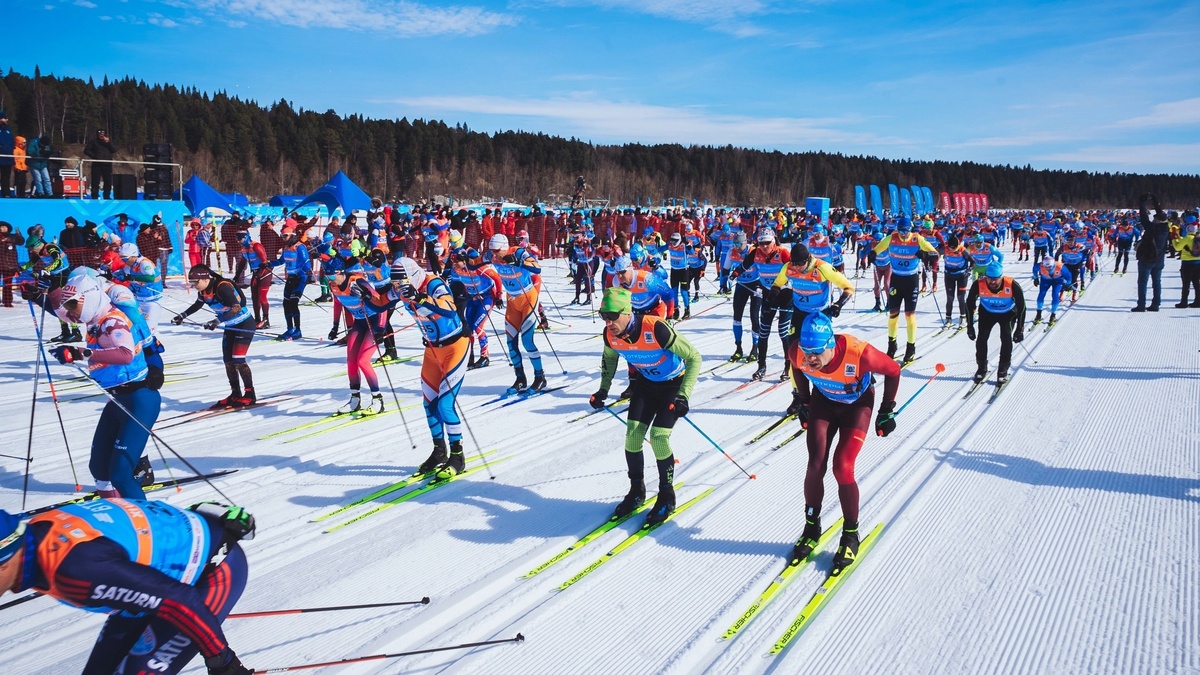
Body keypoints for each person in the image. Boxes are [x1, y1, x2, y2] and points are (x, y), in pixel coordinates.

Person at [0, 500, 255, 675]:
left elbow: (180, 600)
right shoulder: (27, 531)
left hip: (212, 572)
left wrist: (224, 663)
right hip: (156, 576)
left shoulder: (74, 569)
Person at [784, 312, 900, 572]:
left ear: (830, 345)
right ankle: (811, 527)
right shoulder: (798, 353)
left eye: (816, 352)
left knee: (842, 467)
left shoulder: (860, 354)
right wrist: (804, 401)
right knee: (815, 464)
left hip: (856, 406)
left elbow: (893, 370)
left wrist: (886, 411)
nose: (810, 358)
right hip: (823, 403)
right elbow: (797, 367)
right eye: (806, 350)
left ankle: (850, 533)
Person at [31, 273, 162, 499]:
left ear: (89, 299)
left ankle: (145, 526)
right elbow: (64, 313)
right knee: (99, 469)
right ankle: (112, 514)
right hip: (118, 400)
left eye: (74, 305)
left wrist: (79, 353)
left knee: (120, 473)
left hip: (139, 399)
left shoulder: (112, 321)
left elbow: (125, 354)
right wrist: (42, 296)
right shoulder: (93, 318)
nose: (70, 311)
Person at [589, 287, 701, 525]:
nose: (608, 322)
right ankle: (636, 490)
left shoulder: (655, 327)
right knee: (632, 437)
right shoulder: (610, 335)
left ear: (627, 312)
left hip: (672, 385)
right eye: (603, 316)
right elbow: (609, 359)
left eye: (612, 315)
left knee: (659, 437)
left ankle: (666, 494)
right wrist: (603, 390)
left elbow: (694, 357)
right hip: (646, 384)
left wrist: (684, 395)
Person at [394, 257, 471, 479]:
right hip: (432, 350)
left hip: (455, 346)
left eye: (400, 283)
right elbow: (379, 303)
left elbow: (449, 310)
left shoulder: (433, 284)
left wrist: (420, 297)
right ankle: (439, 452)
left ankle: (457, 456)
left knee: (446, 405)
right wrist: (364, 297)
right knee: (429, 405)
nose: (397, 288)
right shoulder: (401, 290)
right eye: (395, 284)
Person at [172, 265, 257, 407]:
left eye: (195, 282)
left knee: (238, 360)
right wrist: (182, 315)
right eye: (191, 283)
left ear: (205, 278)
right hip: (230, 325)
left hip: (244, 324)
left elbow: (237, 307)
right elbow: (198, 304)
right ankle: (235, 393)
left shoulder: (222, 287)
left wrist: (217, 321)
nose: (193, 286)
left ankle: (250, 394)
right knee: (228, 361)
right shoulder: (203, 290)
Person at [325, 257, 387, 415]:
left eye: (332, 276)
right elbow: (338, 305)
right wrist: (335, 326)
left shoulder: (357, 283)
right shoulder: (334, 286)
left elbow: (382, 304)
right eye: (328, 276)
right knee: (351, 361)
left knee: (363, 361)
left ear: (341, 273)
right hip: (360, 322)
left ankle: (377, 399)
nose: (330, 280)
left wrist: (380, 329)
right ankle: (355, 399)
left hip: (373, 321)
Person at [873, 216, 939, 363]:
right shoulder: (891, 238)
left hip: (911, 281)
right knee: (893, 316)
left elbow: (936, 253)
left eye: (906, 231)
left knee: (910, 316)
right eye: (901, 230)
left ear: (911, 229)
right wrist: (872, 254)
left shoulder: (917, 239)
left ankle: (911, 348)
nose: (903, 234)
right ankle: (892, 346)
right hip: (896, 280)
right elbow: (876, 250)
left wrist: (925, 254)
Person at [486, 233, 547, 393]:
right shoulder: (492, 256)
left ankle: (540, 377)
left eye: (496, 250)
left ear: (504, 247)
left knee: (527, 341)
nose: (493, 254)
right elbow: (473, 264)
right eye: (491, 250)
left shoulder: (517, 252)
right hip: (512, 301)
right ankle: (520, 378)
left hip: (528, 297)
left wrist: (518, 261)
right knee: (510, 342)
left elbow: (536, 267)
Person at [740, 228, 791, 381]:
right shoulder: (756, 253)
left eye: (767, 243)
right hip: (769, 296)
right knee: (764, 332)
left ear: (773, 241)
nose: (764, 246)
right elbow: (744, 265)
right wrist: (732, 274)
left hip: (786, 296)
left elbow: (796, 269)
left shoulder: (782, 252)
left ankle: (788, 368)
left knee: (783, 333)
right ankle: (761, 367)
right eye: (761, 243)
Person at [965, 260, 1026, 385]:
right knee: (981, 339)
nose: (992, 282)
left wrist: (1020, 329)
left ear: (1001, 277)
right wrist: (970, 326)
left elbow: (1022, 307)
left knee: (1006, 337)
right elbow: (969, 304)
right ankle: (981, 368)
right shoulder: (979, 284)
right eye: (989, 278)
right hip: (987, 312)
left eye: (996, 279)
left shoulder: (1012, 284)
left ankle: (1003, 369)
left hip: (1007, 313)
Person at [450, 247, 503, 369]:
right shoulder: (456, 269)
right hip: (472, 298)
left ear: (464, 260)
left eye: (456, 261)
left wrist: (499, 296)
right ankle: (470, 356)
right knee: (468, 328)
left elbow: (496, 278)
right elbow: (458, 283)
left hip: (487, 297)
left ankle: (485, 357)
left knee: (478, 327)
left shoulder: (477, 267)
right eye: (452, 261)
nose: (454, 264)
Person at [23, 232, 81, 342]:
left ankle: (76, 332)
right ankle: (65, 331)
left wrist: (45, 271)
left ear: (37, 244)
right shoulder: (39, 252)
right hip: (55, 276)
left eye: (31, 248)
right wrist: (20, 269)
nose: (30, 250)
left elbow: (58, 262)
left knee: (66, 302)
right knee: (57, 304)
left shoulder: (50, 247)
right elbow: (31, 263)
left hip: (64, 275)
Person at [114, 242, 164, 333]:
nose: (124, 261)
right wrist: (110, 275)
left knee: (148, 332)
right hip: (139, 301)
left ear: (134, 256)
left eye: (125, 259)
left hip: (152, 302)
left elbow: (151, 278)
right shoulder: (130, 266)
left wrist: (131, 278)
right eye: (122, 259)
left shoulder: (144, 264)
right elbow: (120, 273)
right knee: (135, 329)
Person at [269, 233, 310, 339]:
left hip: (300, 278)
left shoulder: (300, 247)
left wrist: (299, 274)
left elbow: (307, 266)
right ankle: (290, 329)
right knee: (286, 303)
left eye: (285, 236)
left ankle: (298, 330)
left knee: (293, 302)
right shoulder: (286, 247)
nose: (283, 238)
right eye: (282, 236)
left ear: (292, 235)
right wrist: (269, 264)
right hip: (291, 278)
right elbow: (281, 260)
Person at [1132, 194, 1169, 312]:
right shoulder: (1165, 228)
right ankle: (1156, 304)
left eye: (1155, 218)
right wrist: (1155, 200)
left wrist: (1142, 203)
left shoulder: (1152, 228)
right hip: (1159, 260)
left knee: (1142, 282)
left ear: (1157, 220)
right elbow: (1160, 214)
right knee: (1157, 282)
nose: (1153, 219)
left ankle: (1141, 305)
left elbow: (1143, 217)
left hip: (1147, 259)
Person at [239, 231, 272, 329]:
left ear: (246, 237)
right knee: (255, 298)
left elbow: (264, 261)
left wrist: (258, 275)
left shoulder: (256, 246)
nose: (239, 241)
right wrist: (237, 276)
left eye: (241, 238)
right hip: (255, 273)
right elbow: (242, 263)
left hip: (264, 273)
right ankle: (257, 319)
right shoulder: (244, 248)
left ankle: (266, 320)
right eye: (237, 239)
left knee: (262, 297)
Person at [1031, 254, 1071, 325]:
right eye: (1046, 267)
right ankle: (1038, 314)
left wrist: (1067, 284)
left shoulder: (1060, 266)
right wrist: (1035, 278)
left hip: (1058, 281)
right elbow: (1034, 269)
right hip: (1045, 280)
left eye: (1050, 267)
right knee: (1041, 294)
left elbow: (1068, 276)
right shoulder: (1040, 266)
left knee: (1055, 294)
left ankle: (1053, 315)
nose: (1048, 269)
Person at [941, 234, 971, 326]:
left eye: (954, 248)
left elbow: (972, 261)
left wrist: (969, 270)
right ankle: (948, 318)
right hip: (949, 276)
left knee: (960, 297)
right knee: (950, 297)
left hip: (962, 276)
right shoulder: (945, 248)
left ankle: (963, 317)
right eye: (950, 248)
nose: (952, 250)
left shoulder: (962, 250)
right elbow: (933, 253)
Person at [1172, 213, 1200, 308]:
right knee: (1197, 283)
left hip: (1187, 263)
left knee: (1186, 284)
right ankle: (1198, 301)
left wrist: (1174, 239)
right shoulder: (1198, 237)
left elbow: (1177, 248)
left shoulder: (1187, 238)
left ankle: (1184, 302)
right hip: (1198, 262)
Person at [83, 129, 117, 199]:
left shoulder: (108, 142)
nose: (101, 135)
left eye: (103, 133)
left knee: (108, 181)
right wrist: (94, 157)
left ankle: (107, 196)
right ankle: (94, 195)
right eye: (100, 134)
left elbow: (114, 150)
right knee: (95, 181)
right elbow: (86, 151)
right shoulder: (93, 142)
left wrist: (108, 142)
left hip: (107, 164)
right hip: (97, 164)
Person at [0, 221, 21, 307]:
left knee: (8, 284)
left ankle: (7, 301)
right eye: (2, 227)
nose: (4, 228)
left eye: (5, 227)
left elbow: (20, 241)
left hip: (9, 266)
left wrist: (18, 234)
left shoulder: (13, 236)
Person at [0, 111, 14, 197]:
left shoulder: (8, 130)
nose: (7, 120)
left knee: (6, 177)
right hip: (1, 156)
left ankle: (6, 194)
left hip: (8, 158)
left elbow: (10, 142)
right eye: (5, 118)